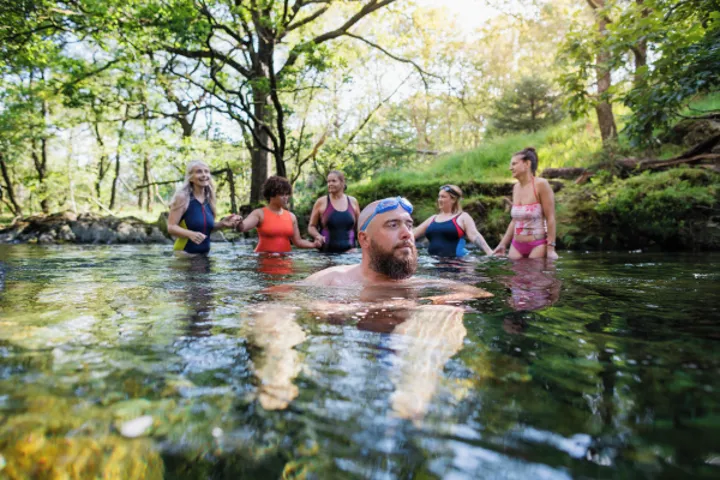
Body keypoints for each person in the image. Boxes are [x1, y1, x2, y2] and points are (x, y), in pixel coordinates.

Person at [302, 196, 492, 303]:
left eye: (409, 225)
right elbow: (277, 298)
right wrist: (320, 307)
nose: (407, 234)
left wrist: (434, 303)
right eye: (393, 225)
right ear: (364, 239)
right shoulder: (332, 279)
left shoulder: (422, 284)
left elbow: (480, 293)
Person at [493, 148, 558, 260]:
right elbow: (515, 221)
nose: (510, 168)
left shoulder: (541, 184)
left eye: (514, 164)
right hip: (516, 245)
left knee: (532, 276)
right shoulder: (516, 188)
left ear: (527, 164)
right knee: (515, 277)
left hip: (537, 244)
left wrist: (551, 249)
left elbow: (550, 218)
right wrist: (502, 244)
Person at [167, 160, 241, 255]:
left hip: (204, 255)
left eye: (206, 171)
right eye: (199, 172)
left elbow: (205, 228)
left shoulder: (210, 199)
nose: (204, 175)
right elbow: (171, 227)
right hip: (184, 255)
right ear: (190, 178)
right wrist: (190, 234)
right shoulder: (182, 198)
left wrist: (222, 224)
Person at [236, 175, 321, 253]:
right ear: (271, 195)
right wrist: (238, 221)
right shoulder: (259, 213)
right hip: (264, 261)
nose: (286, 197)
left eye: (287, 194)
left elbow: (298, 242)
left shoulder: (291, 217)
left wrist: (314, 244)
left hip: (286, 261)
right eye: (282, 194)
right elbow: (243, 227)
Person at [413, 184, 493, 257]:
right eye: (439, 196)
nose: (439, 200)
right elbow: (413, 233)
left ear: (453, 199)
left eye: (443, 197)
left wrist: (490, 252)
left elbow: (475, 235)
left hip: (457, 264)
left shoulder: (463, 217)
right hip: (434, 264)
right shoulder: (433, 218)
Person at [307, 170, 361, 253]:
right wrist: (317, 236)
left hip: (350, 255)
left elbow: (360, 228)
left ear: (342, 182)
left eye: (333, 181)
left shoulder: (353, 202)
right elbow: (311, 226)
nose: (330, 184)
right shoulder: (321, 202)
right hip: (326, 255)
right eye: (328, 181)